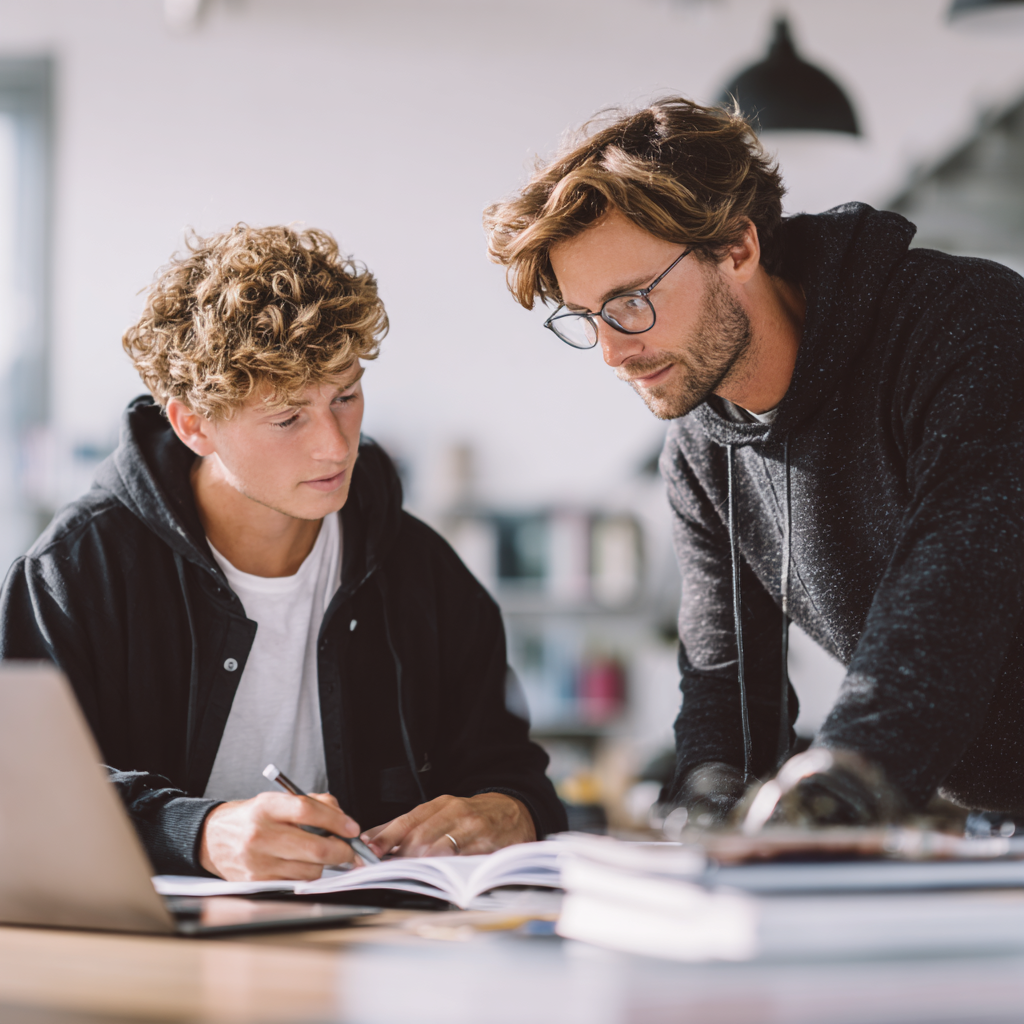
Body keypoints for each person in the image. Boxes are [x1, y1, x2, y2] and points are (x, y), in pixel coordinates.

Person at [483, 97, 1024, 827]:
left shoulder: (966, 329)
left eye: (631, 301)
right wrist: (705, 814)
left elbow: (956, 582)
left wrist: (847, 775)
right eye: (587, 318)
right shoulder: (703, 449)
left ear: (737, 248)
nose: (612, 351)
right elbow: (727, 690)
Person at [0, 224, 565, 879]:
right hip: (141, 961)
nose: (335, 444)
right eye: (288, 418)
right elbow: (17, 792)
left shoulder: (423, 572)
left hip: (375, 956)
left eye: (346, 396)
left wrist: (507, 811)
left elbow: (516, 776)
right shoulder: (74, 572)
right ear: (193, 424)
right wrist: (200, 832)